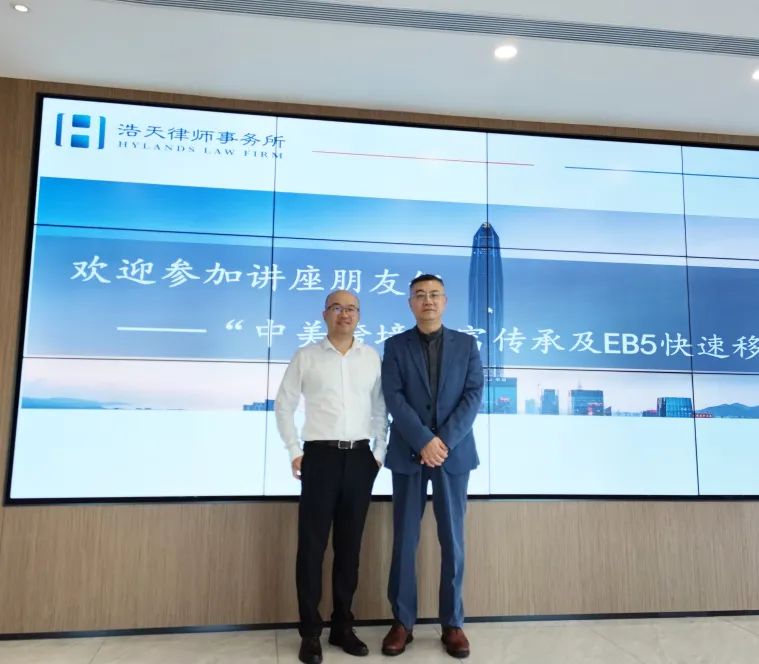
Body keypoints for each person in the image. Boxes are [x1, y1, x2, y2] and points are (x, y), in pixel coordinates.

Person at [275, 290, 387, 664]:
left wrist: (378, 455)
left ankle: (342, 626)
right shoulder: (306, 356)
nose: (345, 314)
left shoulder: (371, 357)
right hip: (319, 458)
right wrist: (294, 449)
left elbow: (380, 409)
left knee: (349, 549)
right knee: (312, 548)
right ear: (325, 314)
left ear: (359, 315)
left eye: (352, 308)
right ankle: (310, 633)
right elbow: (284, 405)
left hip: (360, 459)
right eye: (337, 308)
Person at [380, 274, 484, 659]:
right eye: (420, 295)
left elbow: (473, 396)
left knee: (452, 541)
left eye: (435, 294)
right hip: (409, 453)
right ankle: (402, 622)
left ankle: (452, 623)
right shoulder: (395, 346)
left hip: (453, 455)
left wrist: (443, 442)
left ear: (445, 301)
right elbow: (394, 396)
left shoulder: (467, 345)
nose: (428, 301)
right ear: (410, 303)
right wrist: (424, 440)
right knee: (405, 539)